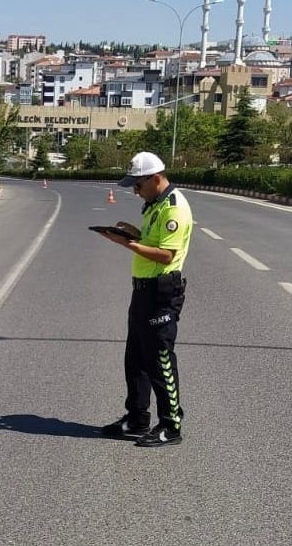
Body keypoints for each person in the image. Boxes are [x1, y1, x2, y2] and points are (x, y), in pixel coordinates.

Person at [99, 151, 193, 447]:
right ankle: (137, 417)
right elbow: (153, 243)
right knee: (135, 358)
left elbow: (167, 254)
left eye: (138, 185)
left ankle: (170, 424)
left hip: (161, 293)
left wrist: (127, 243)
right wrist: (133, 233)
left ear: (155, 178)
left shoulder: (174, 209)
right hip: (142, 291)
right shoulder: (155, 203)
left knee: (159, 359)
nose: (136, 191)